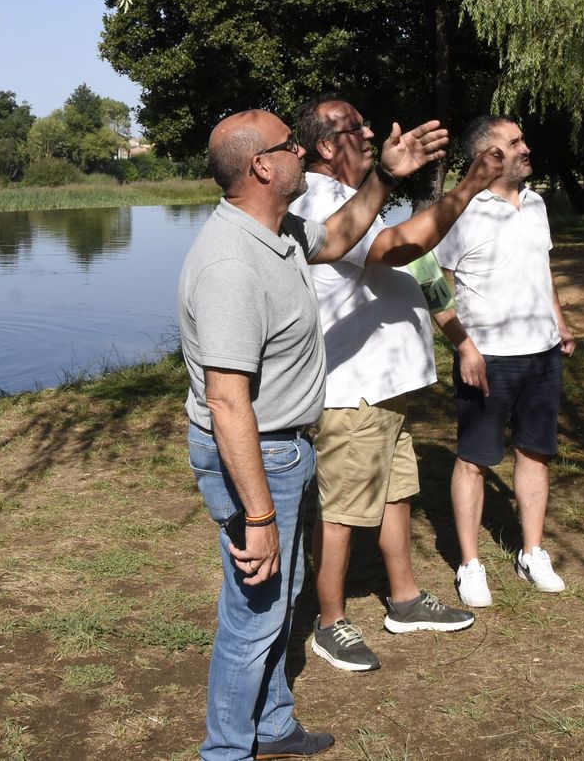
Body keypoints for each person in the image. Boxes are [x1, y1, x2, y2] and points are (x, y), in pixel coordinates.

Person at [179, 108, 448, 761]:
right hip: (255, 456)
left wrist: (383, 175)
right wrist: (260, 514)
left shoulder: (279, 231)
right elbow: (227, 402)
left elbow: (341, 233)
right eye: (288, 145)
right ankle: (225, 751)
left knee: (281, 598)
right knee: (253, 615)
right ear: (262, 167)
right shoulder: (231, 266)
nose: (301, 151)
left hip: (285, 446)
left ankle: (271, 728)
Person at [289, 97, 504, 672]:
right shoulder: (320, 199)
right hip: (351, 391)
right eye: (354, 127)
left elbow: (414, 259)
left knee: (394, 493)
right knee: (342, 511)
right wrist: (469, 187)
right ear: (327, 147)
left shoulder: (355, 197)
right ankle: (329, 622)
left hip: (384, 388)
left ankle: (404, 599)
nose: (369, 130)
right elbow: (399, 249)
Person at [435, 116, 577, 599]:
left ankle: (531, 552)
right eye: (512, 142)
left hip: (541, 354)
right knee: (475, 460)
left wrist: (559, 321)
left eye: (521, 140)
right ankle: (470, 564)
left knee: (535, 452)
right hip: (488, 358)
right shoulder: (461, 212)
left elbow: (543, 270)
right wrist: (464, 346)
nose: (524, 147)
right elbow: (435, 286)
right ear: (486, 158)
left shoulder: (536, 203)